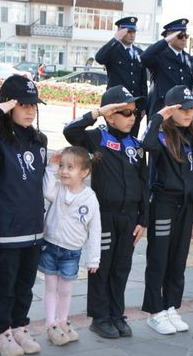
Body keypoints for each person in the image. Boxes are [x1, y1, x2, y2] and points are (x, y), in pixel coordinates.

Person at [63, 85, 148, 339]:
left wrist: (143, 219)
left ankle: (116, 313)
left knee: (122, 267)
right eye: (125, 112)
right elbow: (70, 131)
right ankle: (100, 317)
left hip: (129, 216)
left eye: (135, 113)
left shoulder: (137, 145)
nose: (132, 117)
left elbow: (144, 183)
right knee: (101, 266)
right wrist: (97, 112)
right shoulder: (97, 138)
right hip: (104, 217)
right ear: (111, 115)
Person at [0, 75, 47, 356]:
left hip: (33, 228)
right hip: (5, 228)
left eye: (33, 104)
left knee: (25, 284)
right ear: (9, 104)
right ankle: (1, 332)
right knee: (3, 284)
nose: (30, 110)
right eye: (22, 104)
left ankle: (19, 326)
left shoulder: (40, 140)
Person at [140, 85, 193, 335]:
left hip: (186, 208)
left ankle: (170, 306)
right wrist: (158, 117)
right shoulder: (161, 136)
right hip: (164, 205)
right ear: (171, 110)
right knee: (159, 259)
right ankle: (155, 311)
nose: (188, 113)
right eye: (183, 109)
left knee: (178, 260)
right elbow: (146, 144)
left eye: (192, 109)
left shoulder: (191, 137)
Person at [41, 147, 101, 345]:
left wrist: (94, 258)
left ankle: (63, 320)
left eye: (70, 167)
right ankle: (51, 324)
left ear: (84, 172)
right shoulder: (58, 189)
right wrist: (51, 167)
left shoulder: (90, 198)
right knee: (51, 287)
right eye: (62, 166)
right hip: (50, 246)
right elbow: (46, 190)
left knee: (65, 289)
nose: (64, 171)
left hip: (72, 252)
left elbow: (95, 230)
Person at [95, 16, 148, 136]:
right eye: (128, 31)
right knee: (114, 138)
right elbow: (99, 58)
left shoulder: (139, 53)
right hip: (117, 104)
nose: (132, 35)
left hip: (134, 106)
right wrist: (115, 39)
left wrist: (143, 106)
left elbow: (143, 81)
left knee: (132, 138)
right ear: (120, 31)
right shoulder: (113, 50)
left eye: (134, 31)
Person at [141, 18, 193, 120]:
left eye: (185, 36)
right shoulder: (160, 55)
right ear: (170, 37)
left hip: (182, 110)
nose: (184, 39)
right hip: (162, 108)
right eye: (180, 36)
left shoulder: (187, 58)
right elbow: (144, 57)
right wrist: (165, 41)